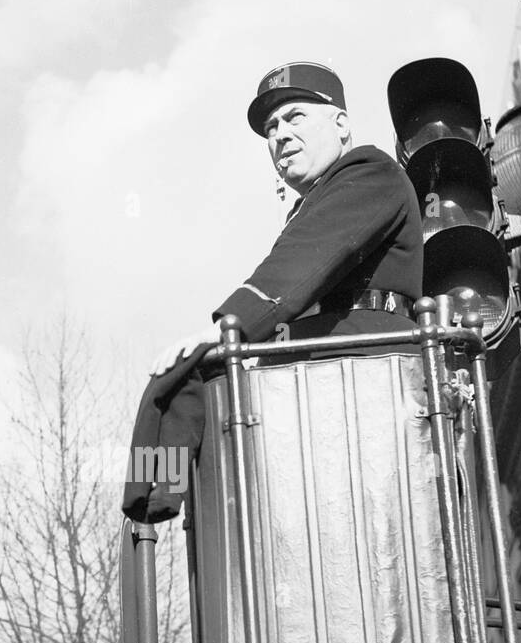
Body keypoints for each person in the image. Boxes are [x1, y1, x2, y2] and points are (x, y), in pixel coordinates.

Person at [123, 61, 424, 523]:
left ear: (341, 124)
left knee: (202, 362)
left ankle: (160, 492)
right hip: (315, 389)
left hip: (366, 382)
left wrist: (229, 327)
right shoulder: (311, 206)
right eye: (271, 126)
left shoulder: (370, 173)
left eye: (295, 116)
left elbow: (301, 264)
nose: (279, 134)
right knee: (183, 379)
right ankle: (156, 492)